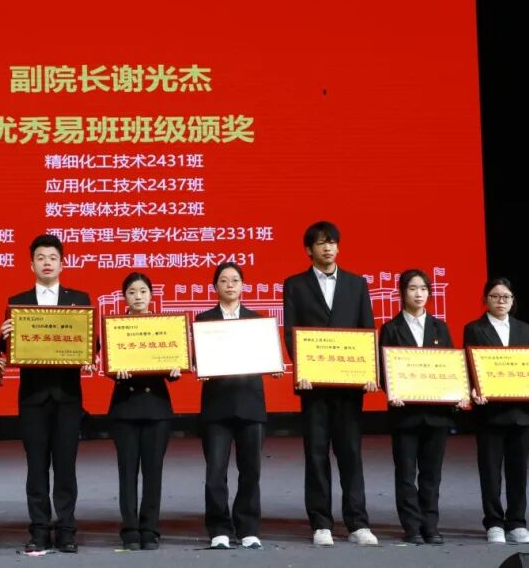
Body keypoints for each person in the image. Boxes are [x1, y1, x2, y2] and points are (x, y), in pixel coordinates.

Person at [282, 221, 379, 546]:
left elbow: (366, 329)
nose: (328, 248)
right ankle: (321, 523)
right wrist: (301, 368)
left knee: (351, 454)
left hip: (349, 387)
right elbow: (290, 332)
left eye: (332, 242)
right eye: (321, 243)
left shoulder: (356, 283)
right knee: (316, 455)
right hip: (313, 386)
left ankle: (358, 523)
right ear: (308, 250)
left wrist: (369, 371)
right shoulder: (295, 285)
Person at [0, 234, 94, 553]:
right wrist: (3, 336)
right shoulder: (18, 302)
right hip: (33, 398)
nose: (47, 263)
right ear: (32, 265)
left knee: (66, 467)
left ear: (62, 263)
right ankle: (39, 530)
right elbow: (9, 350)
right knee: (36, 468)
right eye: (40, 258)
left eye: (52, 257)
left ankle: (66, 529)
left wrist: (89, 351)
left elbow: (91, 344)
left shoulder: (79, 300)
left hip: (68, 397)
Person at [465, 278, 529, 544]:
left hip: (522, 412)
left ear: (513, 300)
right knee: (490, 471)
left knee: (518, 471)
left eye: (506, 297)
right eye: (495, 296)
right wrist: (473, 389)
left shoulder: (524, 328)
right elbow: (469, 365)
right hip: (490, 413)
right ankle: (494, 522)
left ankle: (517, 522)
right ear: (485, 300)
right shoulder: (474, 329)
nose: (501, 301)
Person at [379, 269, 468, 545]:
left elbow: (451, 367)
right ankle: (412, 526)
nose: (419, 294)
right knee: (406, 474)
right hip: (404, 413)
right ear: (402, 292)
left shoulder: (440, 327)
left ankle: (431, 524)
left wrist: (458, 393)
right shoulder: (391, 328)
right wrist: (391, 391)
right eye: (412, 288)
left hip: (436, 414)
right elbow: (384, 370)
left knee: (432, 474)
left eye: (423, 289)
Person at [196, 262, 281, 550]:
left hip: (250, 404)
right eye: (223, 280)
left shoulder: (257, 322)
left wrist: (273, 364)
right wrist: (198, 365)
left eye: (235, 280)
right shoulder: (204, 321)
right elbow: (197, 358)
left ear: (243, 286)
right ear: (215, 287)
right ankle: (219, 528)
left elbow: (268, 356)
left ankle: (248, 528)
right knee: (215, 472)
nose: (230, 285)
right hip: (216, 406)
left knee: (251, 470)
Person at [107, 272, 180, 550]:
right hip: (125, 408)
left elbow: (173, 365)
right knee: (127, 473)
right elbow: (107, 363)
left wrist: (175, 368)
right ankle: (130, 529)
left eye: (142, 291)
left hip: (156, 408)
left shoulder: (165, 327)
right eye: (132, 292)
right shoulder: (116, 328)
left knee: (153, 472)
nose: (137, 297)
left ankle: (150, 529)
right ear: (124, 297)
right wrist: (115, 371)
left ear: (151, 295)